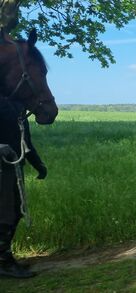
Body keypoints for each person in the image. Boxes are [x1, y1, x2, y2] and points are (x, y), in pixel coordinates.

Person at [0, 98, 47, 278]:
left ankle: (5, 257)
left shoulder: (18, 106)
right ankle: (4, 262)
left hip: (14, 167)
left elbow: (25, 140)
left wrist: (38, 164)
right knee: (5, 214)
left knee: (15, 212)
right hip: (2, 166)